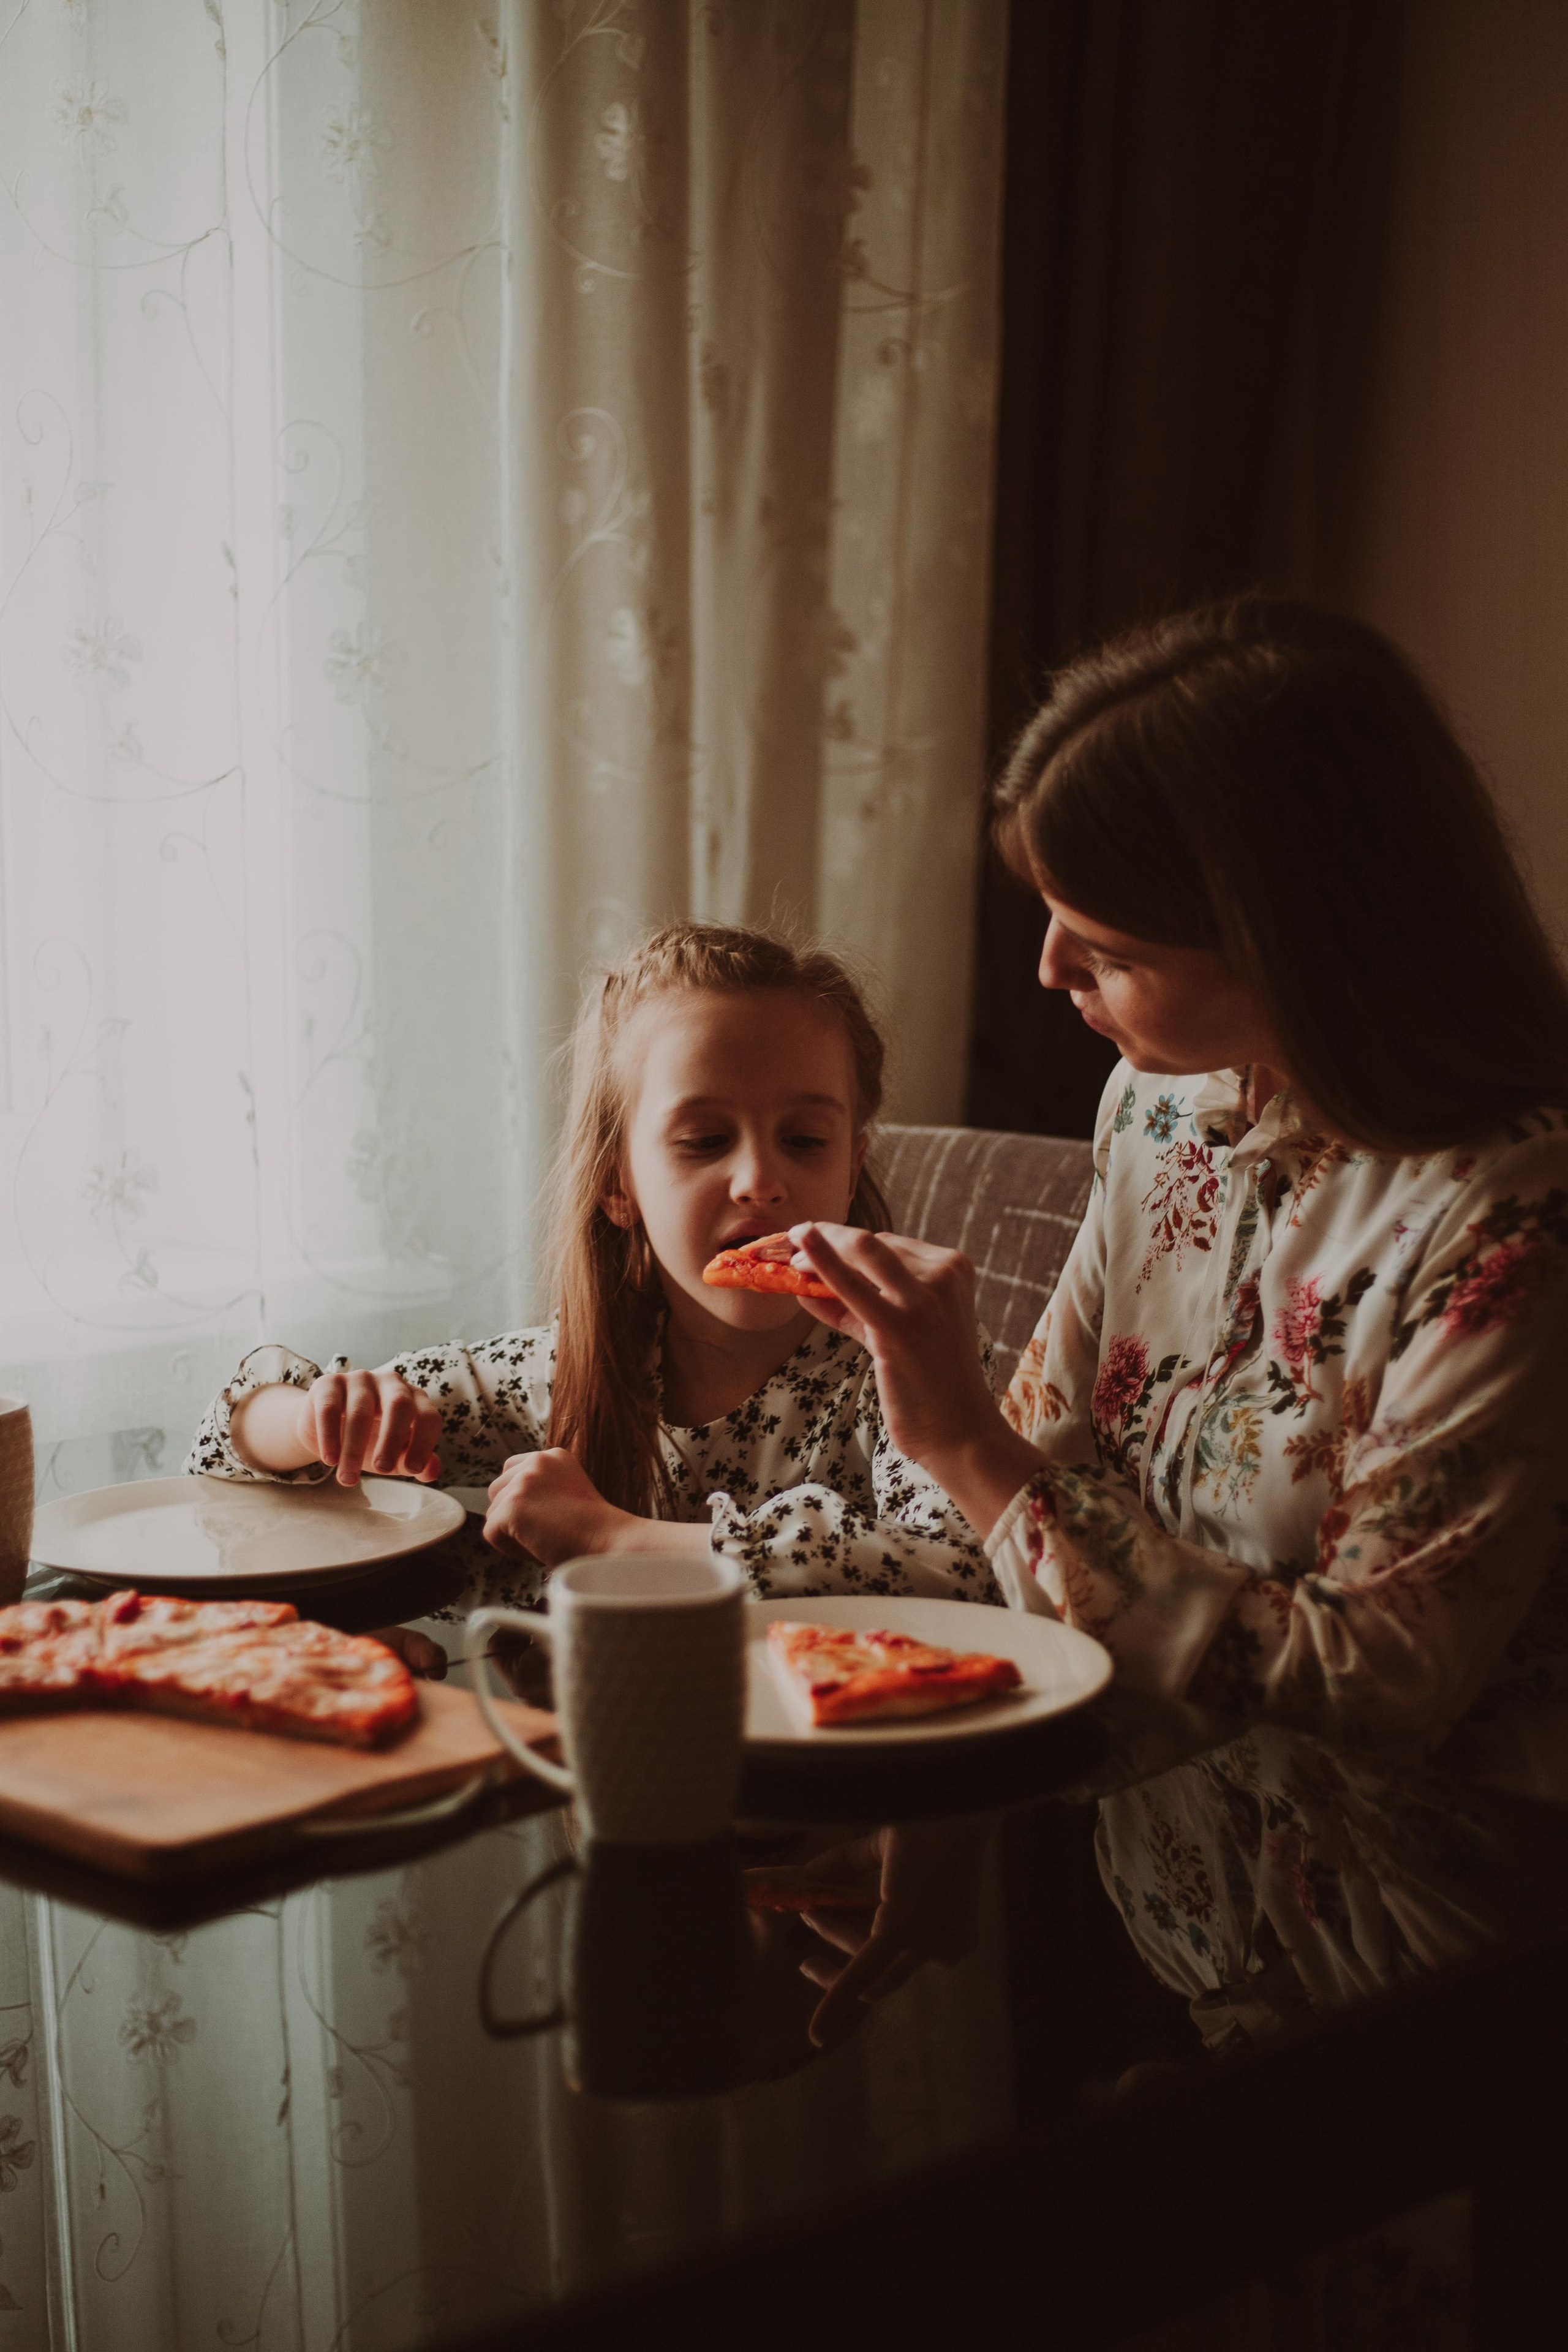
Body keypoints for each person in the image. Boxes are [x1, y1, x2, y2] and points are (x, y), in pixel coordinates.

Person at [786, 596, 1568, 2046]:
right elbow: (1049, 1463)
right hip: (1162, 1901)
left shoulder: (1515, 1213)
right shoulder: (1159, 1106)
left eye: (1103, 943)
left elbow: (1381, 1684)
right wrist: (940, 1803)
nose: (1044, 970)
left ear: (1287, 938)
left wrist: (967, 1445)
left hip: (1431, 1970)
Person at [187, 922, 997, 1611]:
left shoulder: (912, 1373)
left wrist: (615, 1539)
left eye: (806, 1140)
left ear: (852, 1170)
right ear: (618, 1185)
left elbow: (966, 1571)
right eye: (705, 1141)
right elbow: (223, 1444)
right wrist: (318, 1419)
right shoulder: (564, 1374)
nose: (760, 1180)